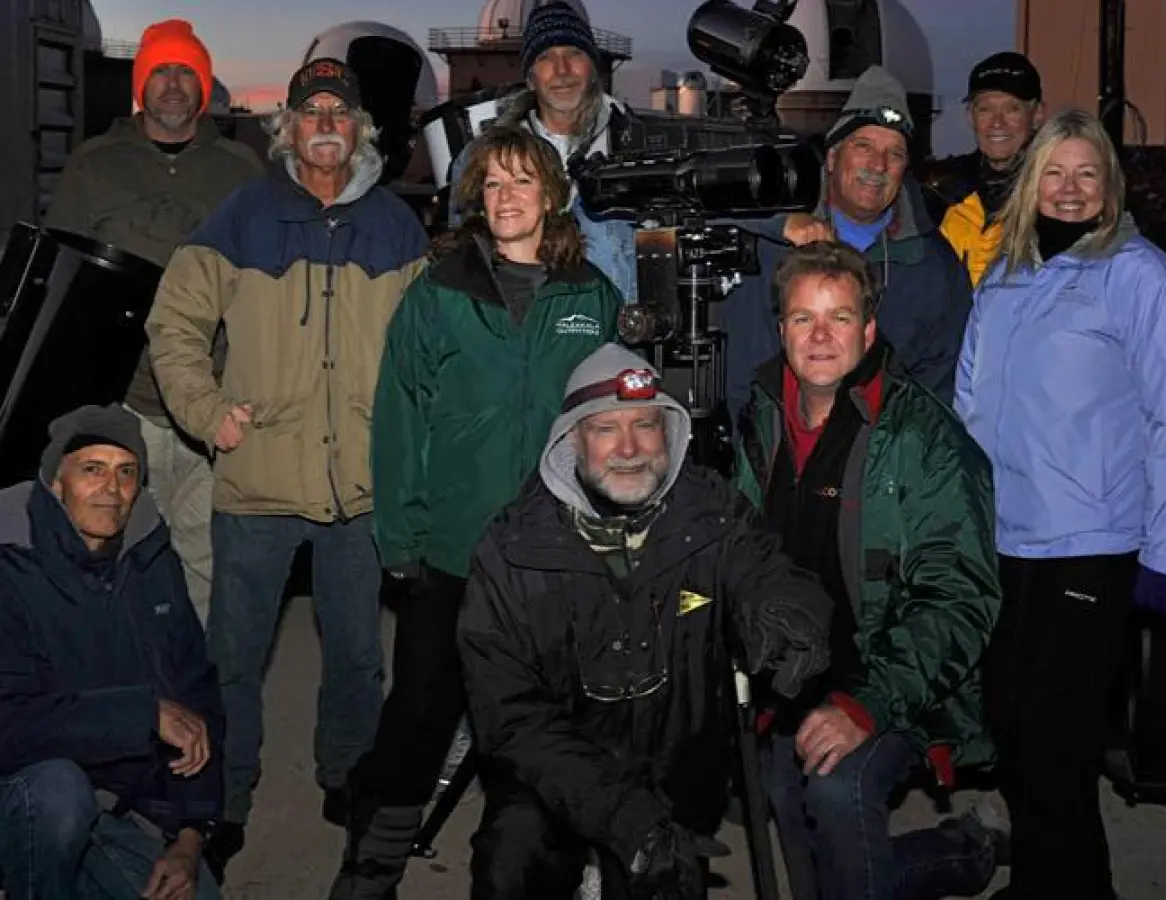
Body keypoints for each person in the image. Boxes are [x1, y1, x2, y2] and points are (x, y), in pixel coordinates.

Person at [145, 57, 429, 866]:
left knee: (355, 656)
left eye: (342, 112)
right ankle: (223, 801)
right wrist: (206, 414)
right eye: (313, 113)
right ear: (290, 128)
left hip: (360, 490)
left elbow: (428, 350)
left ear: (361, 130)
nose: (327, 125)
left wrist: (411, 441)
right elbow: (174, 326)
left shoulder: (396, 227)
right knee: (234, 660)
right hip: (258, 483)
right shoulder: (242, 216)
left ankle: (346, 778)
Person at [328, 124, 623, 900]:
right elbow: (399, 422)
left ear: (552, 196)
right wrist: (404, 543)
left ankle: (531, 879)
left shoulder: (591, 296)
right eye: (491, 184)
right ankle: (369, 872)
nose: (504, 198)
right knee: (417, 723)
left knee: (545, 736)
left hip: (560, 560)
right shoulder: (439, 293)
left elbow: (621, 426)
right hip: (454, 556)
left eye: (521, 181)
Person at [458, 342, 833, 900]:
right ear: (572, 441)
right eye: (606, 428)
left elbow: (767, 567)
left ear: (671, 433)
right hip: (557, 773)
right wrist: (619, 813)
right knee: (512, 864)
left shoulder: (710, 511)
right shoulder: (512, 547)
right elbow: (508, 715)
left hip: (675, 768)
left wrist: (788, 617)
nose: (629, 448)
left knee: (666, 880)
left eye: (646, 425)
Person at [955, 108, 1166, 900]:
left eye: (1085, 174)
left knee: (1056, 744)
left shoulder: (1145, 280)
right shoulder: (1009, 271)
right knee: (1017, 736)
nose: (1068, 189)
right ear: (1032, 181)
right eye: (1054, 173)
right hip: (1004, 542)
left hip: (1089, 542)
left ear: (1111, 185)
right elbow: (970, 399)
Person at [734, 242, 1005, 900]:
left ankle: (958, 849)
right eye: (804, 319)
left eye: (840, 318)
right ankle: (959, 852)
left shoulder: (924, 440)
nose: (820, 336)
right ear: (782, 331)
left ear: (870, 329)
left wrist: (868, 703)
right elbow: (738, 551)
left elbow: (959, 598)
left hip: (894, 677)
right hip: (792, 671)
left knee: (835, 786)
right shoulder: (763, 417)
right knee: (778, 792)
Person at [43, 18, 262, 627]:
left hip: (212, 409)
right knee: (113, 558)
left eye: (186, 72)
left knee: (205, 561)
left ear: (203, 86)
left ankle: (189, 693)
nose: (172, 84)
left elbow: (267, 285)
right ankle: (121, 693)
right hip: (123, 407)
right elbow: (61, 285)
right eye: (160, 70)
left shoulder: (241, 169)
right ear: (142, 83)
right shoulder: (94, 165)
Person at [0, 404, 223, 900]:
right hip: (24, 793)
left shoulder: (149, 556)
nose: (111, 489)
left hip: (115, 804)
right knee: (59, 795)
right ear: (55, 481)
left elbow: (196, 694)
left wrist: (190, 836)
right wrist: (140, 713)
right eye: (92, 470)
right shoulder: (10, 561)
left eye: (127, 473)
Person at [725, 66, 974, 419]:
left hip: (880, 460)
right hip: (771, 452)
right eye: (863, 146)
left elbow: (938, 393)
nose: (878, 165)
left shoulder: (935, 268)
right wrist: (776, 222)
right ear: (831, 157)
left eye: (896, 154)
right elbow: (682, 210)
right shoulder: (771, 242)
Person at [451, 1, 638, 302]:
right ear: (529, 77)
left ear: (593, 67)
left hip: (617, 338)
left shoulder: (638, 149)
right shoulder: (481, 158)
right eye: (545, 57)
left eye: (575, 54)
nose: (562, 70)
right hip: (524, 331)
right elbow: (463, 262)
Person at [932, 52, 1045, 285]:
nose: (997, 122)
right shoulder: (942, 198)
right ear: (970, 116)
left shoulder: (1056, 198)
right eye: (985, 109)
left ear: (1037, 115)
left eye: (1012, 109)